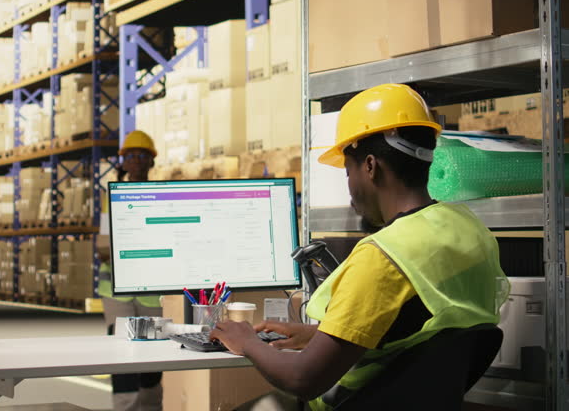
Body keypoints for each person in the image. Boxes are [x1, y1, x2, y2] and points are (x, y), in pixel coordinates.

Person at [211, 84, 510, 411]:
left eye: (348, 170)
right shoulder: (467, 228)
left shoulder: (384, 256)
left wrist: (249, 343)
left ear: (370, 166)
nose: (350, 186)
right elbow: (421, 333)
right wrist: (314, 336)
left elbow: (303, 379)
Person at [99, 129, 164, 411]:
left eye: (142, 155)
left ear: (151, 162)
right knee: (123, 351)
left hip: (153, 291)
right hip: (116, 291)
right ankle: (124, 407)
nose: (136, 161)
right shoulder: (110, 197)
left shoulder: (162, 196)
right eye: (131, 156)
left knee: (153, 354)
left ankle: (151, 406)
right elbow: (102, 247)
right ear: (123, 162)